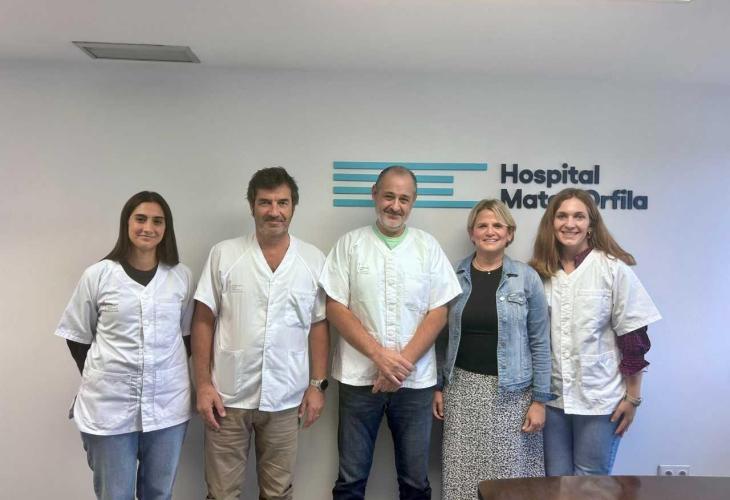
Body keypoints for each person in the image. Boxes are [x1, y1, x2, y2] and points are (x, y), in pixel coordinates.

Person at [320, 165, 462, 500]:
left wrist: (399, 365)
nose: (395, 206)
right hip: (359, 381)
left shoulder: (427, 247)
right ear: (374, 194)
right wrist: (379, 357)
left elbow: (439, 311)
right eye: (388, 196)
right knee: (350, 480)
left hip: (414, 383)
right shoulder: (350, 244)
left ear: (413, 202)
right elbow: (335, 306)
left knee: (415, 482)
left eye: (404, 199)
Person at [192, 166, 329, 500]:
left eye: (282, 202)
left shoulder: (313, 259)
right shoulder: (225, 254)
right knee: (221, 494)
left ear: (293, 207)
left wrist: (317, 385)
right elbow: (203, 320)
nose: (274, 211)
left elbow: (318, 325)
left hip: (286, 397)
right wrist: (204, 385)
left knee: (278, 493)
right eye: (265, 202)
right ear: (252, 206)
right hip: (227, 396)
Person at [55, 191, 194, 500]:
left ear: (166, 228)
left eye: (157, 221)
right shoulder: (98, 275)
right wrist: (104, 374)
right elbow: (77, 336)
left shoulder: (181, 277)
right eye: (140, 219)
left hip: (167, 405)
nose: (148, 228)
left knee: (159, 493)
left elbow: (187, 336)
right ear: (126, 223)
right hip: (109, 407)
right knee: (114, 494)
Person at [529, 188, 661, 476]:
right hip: (552, 398)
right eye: (562, 216)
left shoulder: (612, 269)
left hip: (600, 398)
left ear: (591, 224)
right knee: (556, 481)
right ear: (551, 223)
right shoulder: (539, 272)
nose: (570, 223)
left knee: (590, 482)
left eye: (579, 216)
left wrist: (633, 398)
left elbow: (633, 338)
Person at [433, 199, 552, 499]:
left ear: (509, 233)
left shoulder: (526, 278)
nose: (490, 231)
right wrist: (438, 387)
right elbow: (440, 337)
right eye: (482, 225)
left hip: (513, 396)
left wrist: (540, 400)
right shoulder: (452, 276)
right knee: (462, 477)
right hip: (461, 392)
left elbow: (540, 342)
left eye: (498, 225)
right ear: (471, 233)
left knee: (509, 481)